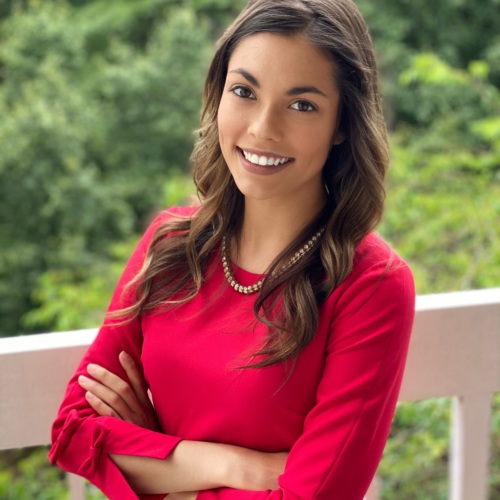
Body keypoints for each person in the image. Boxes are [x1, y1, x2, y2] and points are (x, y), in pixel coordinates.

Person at [49, 0, 415, 498]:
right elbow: (72, 431)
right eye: (244, 91)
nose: (263, 128)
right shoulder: (170, 245)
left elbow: (314, 494)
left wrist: (160, 463)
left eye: (302, 104)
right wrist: (241, 468)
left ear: (343, 125)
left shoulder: (369, 284)